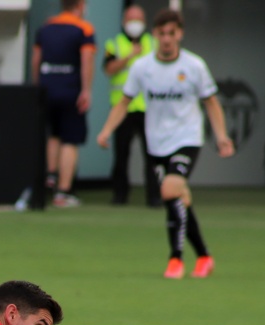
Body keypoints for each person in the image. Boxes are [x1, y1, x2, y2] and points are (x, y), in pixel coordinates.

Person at [96, 8, 234, 280]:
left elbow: (211, 102)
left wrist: (221, 136)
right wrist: (106, 131)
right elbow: (124, 102)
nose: (167, 39)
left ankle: (176, 260)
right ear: (155, 35)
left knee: (170, 190)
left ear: (180, 34)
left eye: (172, 33)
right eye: (162, 34)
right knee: (178, 199)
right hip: (156, 143)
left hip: (187, 138)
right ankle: (204, 256)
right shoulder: (142, 67)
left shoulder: (194, 66)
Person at [32, 0, 96, 208]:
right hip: (71, 91)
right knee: (70, 140)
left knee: (53, 135)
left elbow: (36, 59)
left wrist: (37, 86)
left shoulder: (46, 27)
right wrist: (86, 90)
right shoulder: (84, 28)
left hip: (47, 88)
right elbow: (87, 60)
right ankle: (64, 191)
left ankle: (50, 177)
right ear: (79, 5)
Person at [103, 4, 161, 207]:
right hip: (122, 107)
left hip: (148, 108)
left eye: (138, 19)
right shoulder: (114, 44)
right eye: (131, 19)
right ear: (123, 21)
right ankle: (120, 195)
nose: (134, 24)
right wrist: (130, 57)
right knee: (121, 155)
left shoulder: (154, 43)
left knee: (153, 155)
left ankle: (154, 196)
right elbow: (109, 69)